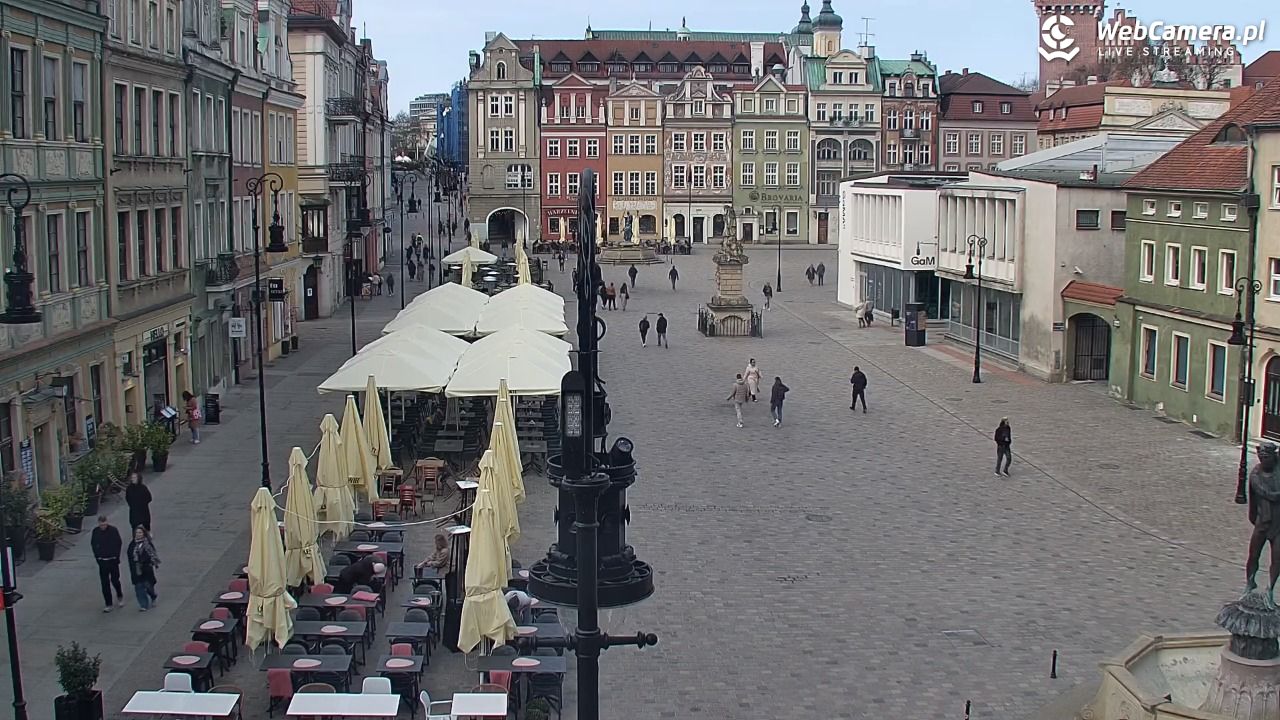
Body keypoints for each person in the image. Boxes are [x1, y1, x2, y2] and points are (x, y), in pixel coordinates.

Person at [91, 516, 125, 612]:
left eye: (104, 524)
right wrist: (98, 557)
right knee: (105, 583)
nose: (103, 526)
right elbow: (93, 544)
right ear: (98, 523)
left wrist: (116, 556)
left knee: (115, 580)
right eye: (101, 525)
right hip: (102, 561)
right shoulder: (96, 532)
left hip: (112, 560)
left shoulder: (113, 531)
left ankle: (119, 595)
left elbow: (118, 543)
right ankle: (108, 603)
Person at [127, 526, 160, 611]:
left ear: (143, 534)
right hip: (136, 569)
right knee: (138, 587)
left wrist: (148, 562)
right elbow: (130, 556)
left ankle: (153, 596)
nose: (138, 534)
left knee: (148, 585)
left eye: (140, 533)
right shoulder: (132, 544)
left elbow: (152, 554)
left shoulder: (147, 544)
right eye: (137, 533)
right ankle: (143, 604)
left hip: (146, 569)